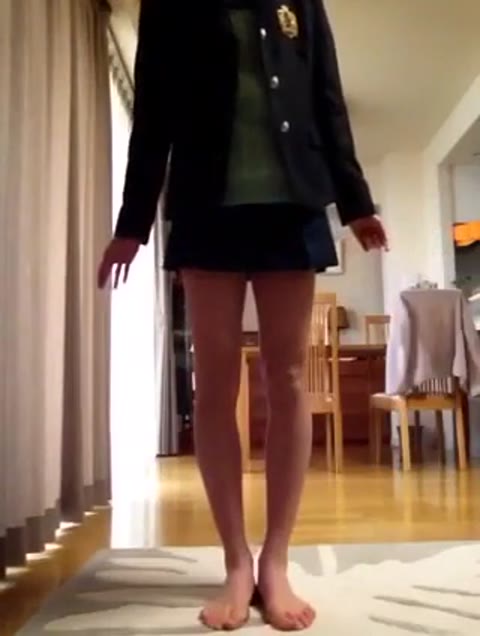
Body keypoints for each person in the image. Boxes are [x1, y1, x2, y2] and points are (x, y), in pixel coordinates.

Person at [98, 0, 388, 630]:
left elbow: (328, 103)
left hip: (293, 210)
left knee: (288, 378)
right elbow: (153, 117)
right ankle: (236, 561)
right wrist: (132, 225)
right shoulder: (168, 8)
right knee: (215, 384)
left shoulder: (300, 2)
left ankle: (275, 560)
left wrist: (356, 202)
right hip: (205, 209)